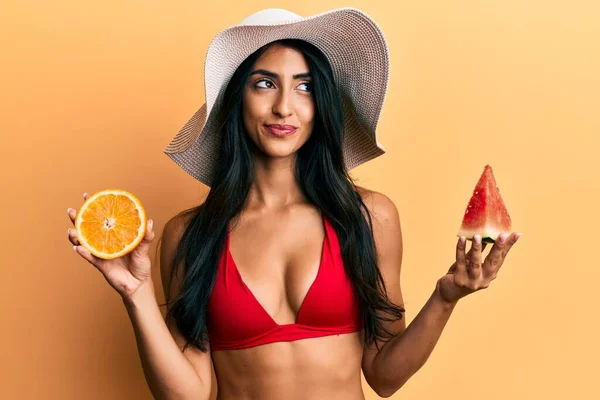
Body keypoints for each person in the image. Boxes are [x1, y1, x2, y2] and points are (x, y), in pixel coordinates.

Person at [66, 7, 521, 399]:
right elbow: (190, 393)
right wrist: (137, 295)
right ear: (235, 100)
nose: (285, 107)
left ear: (321, 104)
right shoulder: (190, 235)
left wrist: (445, 298)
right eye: (264, 84)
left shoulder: (369, 217)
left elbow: (383, 375)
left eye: (304, 87)